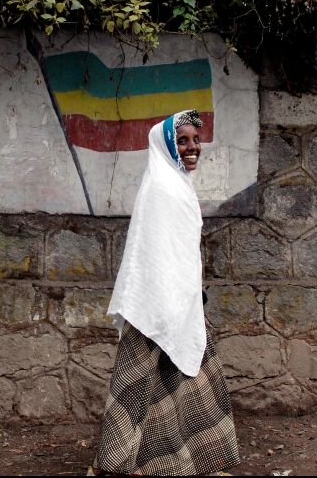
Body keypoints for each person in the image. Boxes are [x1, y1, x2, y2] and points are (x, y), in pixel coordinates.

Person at [91, 110, 240, 476]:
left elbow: (178, 249)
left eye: (195, 140)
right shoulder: (161, 187)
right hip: (152, 304)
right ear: (166, 144)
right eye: (183, 140)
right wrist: (165, 300)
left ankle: (177, 461)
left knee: (186, 382)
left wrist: (188, 295)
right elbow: (151, 253)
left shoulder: (176, 182)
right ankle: (112, 465)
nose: (192, 148)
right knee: (136, 385)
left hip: (179, 302)